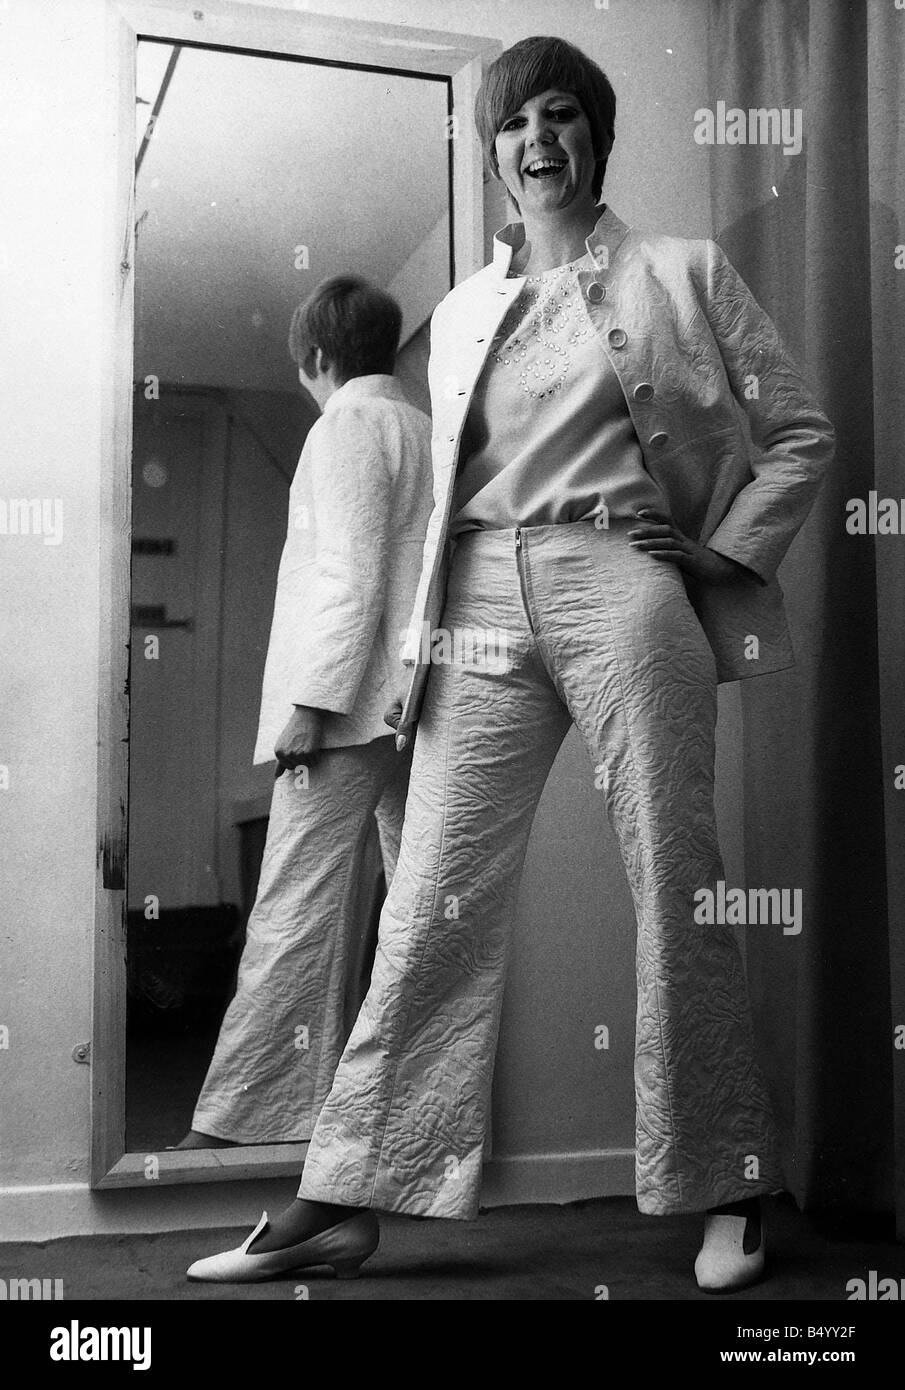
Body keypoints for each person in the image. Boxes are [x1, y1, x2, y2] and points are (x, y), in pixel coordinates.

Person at [186, 36, 834, 1292]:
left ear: (595, 134)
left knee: (673, 870)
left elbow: (796, 431)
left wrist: (719, 553)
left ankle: (731, 1181)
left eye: (560, 115)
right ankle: (343, 1193)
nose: (537, 139)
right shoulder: (464, 313)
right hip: (476, 595)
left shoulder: (680, 272)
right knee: (428, 894)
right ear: (490, 152)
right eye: (514, 123)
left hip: (618, 578)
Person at [177, 275, 433, 1147]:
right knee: (411, 913)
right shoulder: (426, 431)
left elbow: (351, 573)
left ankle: (236, 1126)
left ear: (317, 357)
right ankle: (378, 1126)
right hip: (412, 707)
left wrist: (310, 706)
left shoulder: (345, 426)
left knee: (291, 913)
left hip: (346, 713)